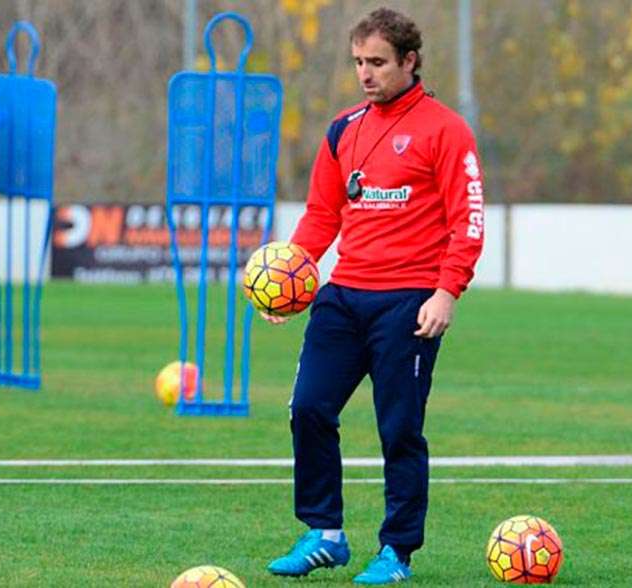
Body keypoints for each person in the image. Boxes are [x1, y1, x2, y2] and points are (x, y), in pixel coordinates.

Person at [264, 7, 485, 585]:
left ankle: (396, 552)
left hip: (409, 303)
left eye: (378, 62)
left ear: (409, 61)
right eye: (359, 62)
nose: (366, 73)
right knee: (308, 408)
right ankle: (325, 534)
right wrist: (290, 278)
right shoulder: (343, 129)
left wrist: (446, 291)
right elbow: (321, 215)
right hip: (342, 298)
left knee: (398, 429)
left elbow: (469, 221)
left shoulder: (446, 129)